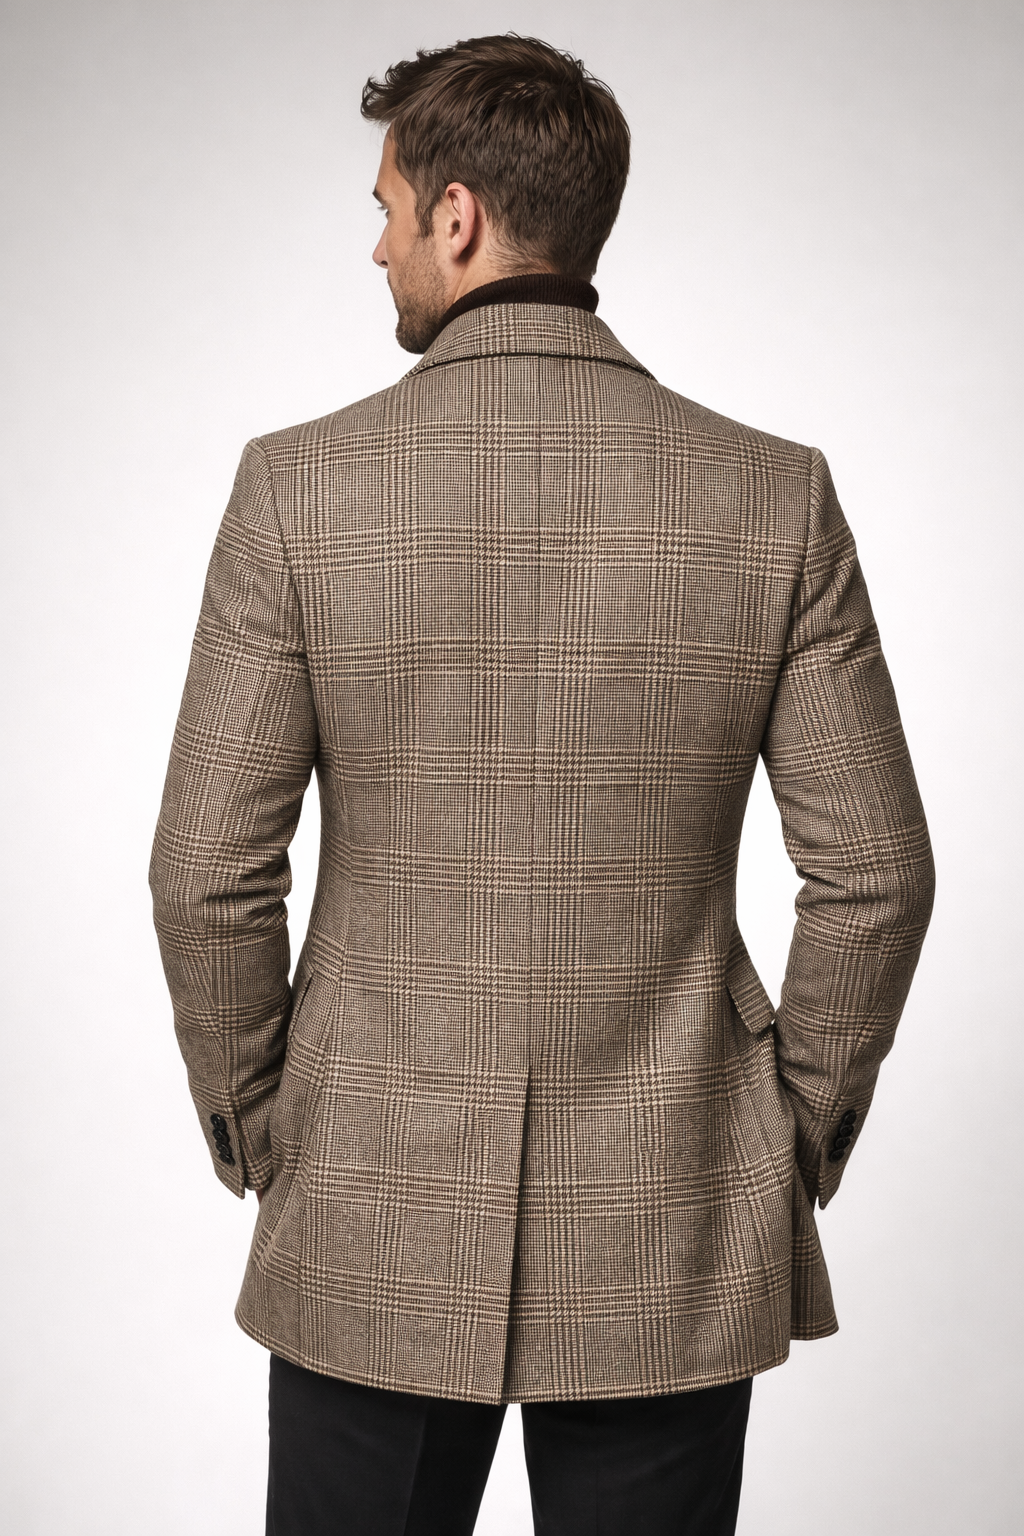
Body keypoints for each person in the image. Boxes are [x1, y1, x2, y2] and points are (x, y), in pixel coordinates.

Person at [150, 33, 935, 1536]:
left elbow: (206, 873)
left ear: (457, 218)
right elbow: (879, 876)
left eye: (388, 208)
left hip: (370, 1196)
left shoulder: (299, 489)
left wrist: (267, 1123)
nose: (377, 246)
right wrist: (784, 1135)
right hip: (673, 1200)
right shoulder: (772, 497)